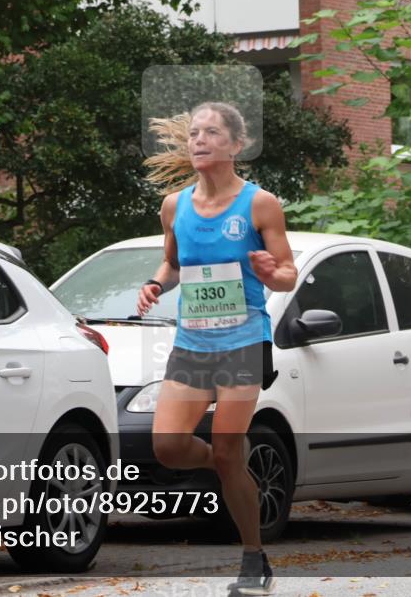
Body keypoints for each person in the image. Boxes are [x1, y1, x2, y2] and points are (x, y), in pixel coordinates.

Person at [136, 102, 297, 596]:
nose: (199, 140)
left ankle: (254, 559)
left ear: (235, 145)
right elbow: (173, 264)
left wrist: (274, 273)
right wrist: (155, 284)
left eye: (211, 133)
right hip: (192, 341)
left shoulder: (259, 204)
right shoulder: (174, 206)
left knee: (229, 447)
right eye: (194, 134)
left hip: (244, 340)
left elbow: (288, 271)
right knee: (168, 446)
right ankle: (226, 463)